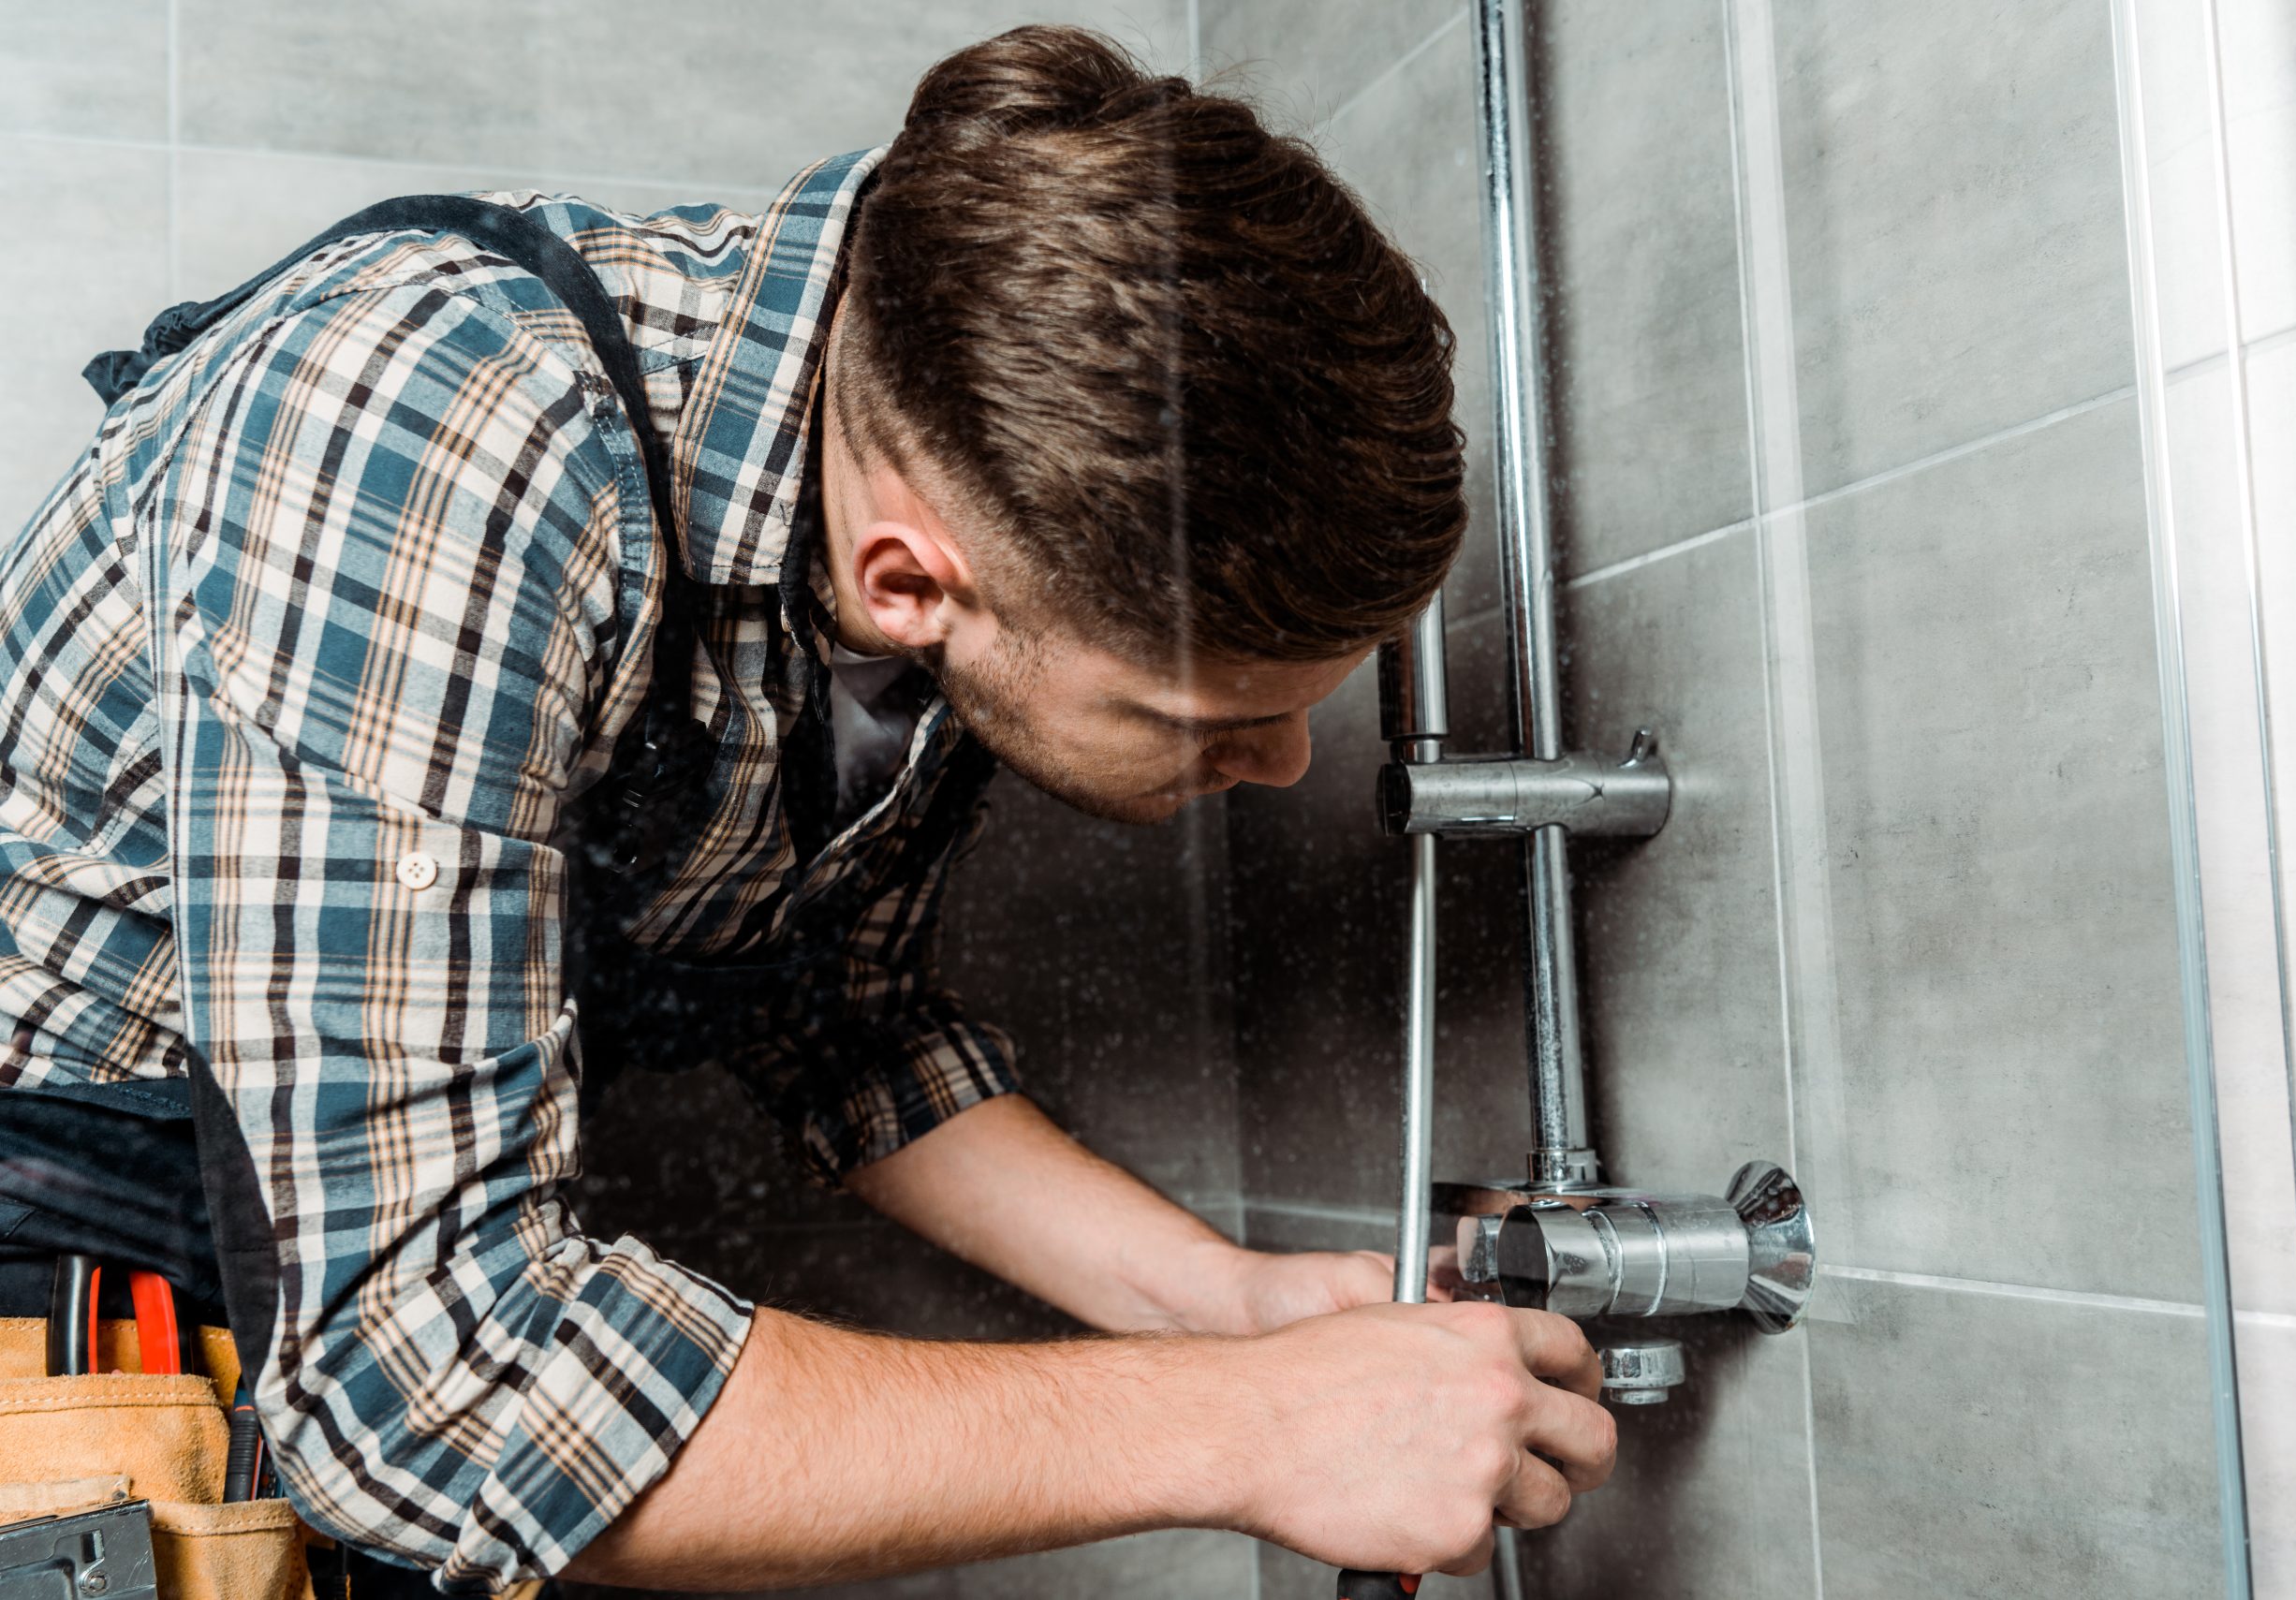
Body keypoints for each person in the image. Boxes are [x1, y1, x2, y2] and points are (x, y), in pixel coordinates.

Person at [0, 24, 1615, 1593]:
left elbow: (833, 1015)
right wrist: (1253, 1428)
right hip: (54, 1241)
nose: (1291, 768)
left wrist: (1227, 1301)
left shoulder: (931, 478)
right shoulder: (436, 430)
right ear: (917, 582)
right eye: (1226, 718)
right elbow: (424, 1382)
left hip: (341, 1297)